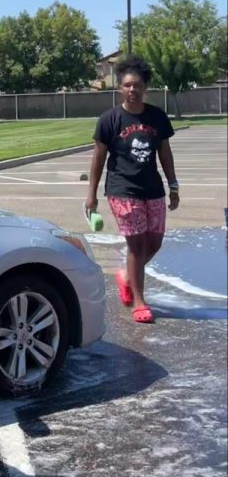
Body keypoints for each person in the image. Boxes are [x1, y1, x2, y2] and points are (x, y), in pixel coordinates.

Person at [85, 55, 179, 324]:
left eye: (137, 85)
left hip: (153, 189)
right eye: (127, 85)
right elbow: (98, 158)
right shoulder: (109, 120)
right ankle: (139, 302)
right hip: (122, 189)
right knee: (136, 246)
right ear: (119, 88)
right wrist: (91, 194)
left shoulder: (157, 117)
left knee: (155, 242)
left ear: (145, 87)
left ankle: (127, 276)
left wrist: (173, 185)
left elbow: (165, 153)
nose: (132, 90)